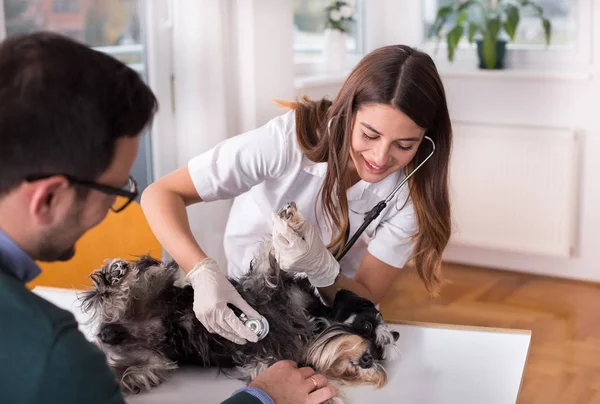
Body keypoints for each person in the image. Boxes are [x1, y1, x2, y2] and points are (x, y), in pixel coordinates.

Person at [0, 32, 336, 404]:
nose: (114, 208)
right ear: (48, 198)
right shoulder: (54, 356)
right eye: (117, 190)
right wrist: (262, 398)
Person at [141, 44, 453, 346]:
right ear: (347, 113)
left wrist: (322, 269)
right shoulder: (285, 141)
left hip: (329, 319)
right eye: (370, 135)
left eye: (405, 145)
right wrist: (202, 272)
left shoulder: (410, 195)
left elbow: (368, 295)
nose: (381, 157)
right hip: (248, 297)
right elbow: (161, 194)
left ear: (425, 141)